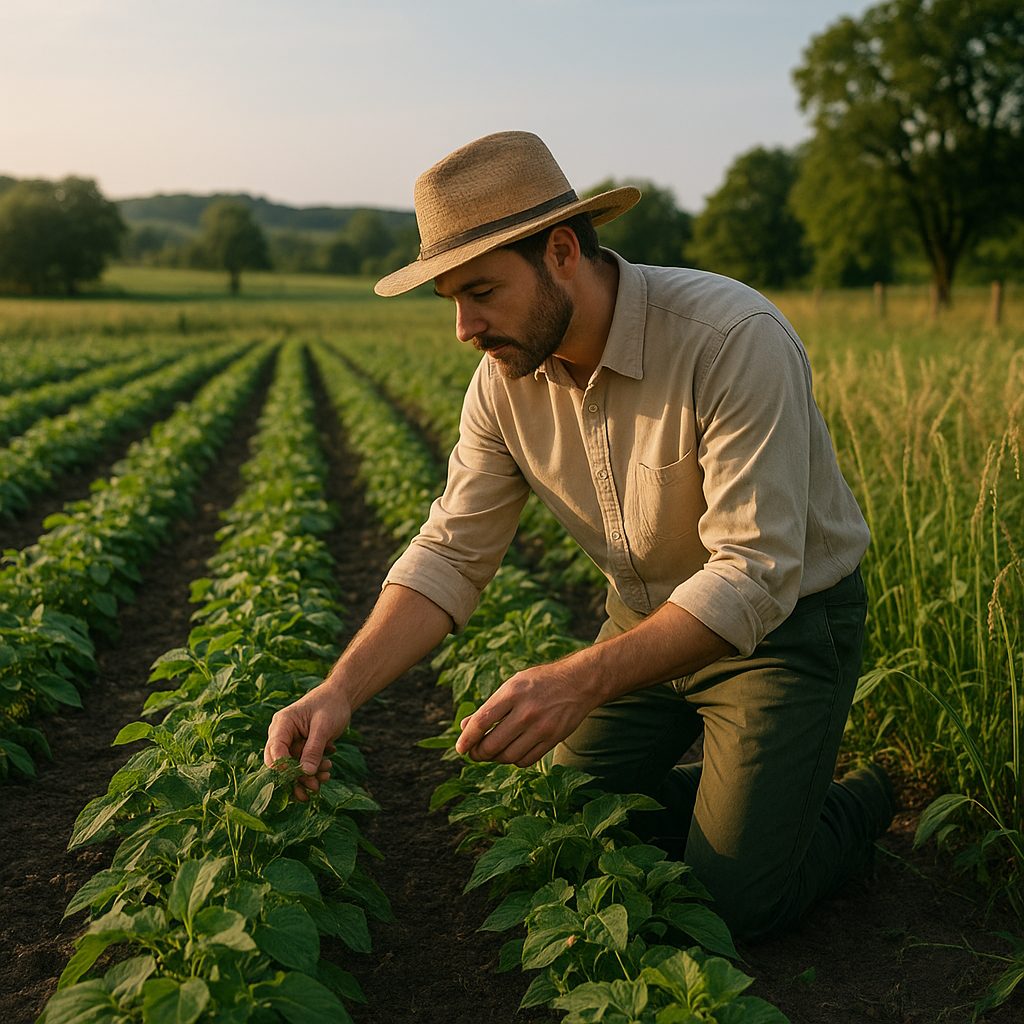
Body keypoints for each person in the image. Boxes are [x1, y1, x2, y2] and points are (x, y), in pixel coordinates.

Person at [264, 130, 893, 941]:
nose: (464, 327)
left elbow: (754, 572)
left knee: (732, 906)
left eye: (481, 291)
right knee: (565, 834)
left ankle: (852, 803)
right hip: (644, 623)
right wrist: (338, 690)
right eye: (450, 299)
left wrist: (578, 681)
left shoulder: (731, 338)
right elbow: (451, 552)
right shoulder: (503, 384)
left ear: (561, 251)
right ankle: (741, 799)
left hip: (783, 630)